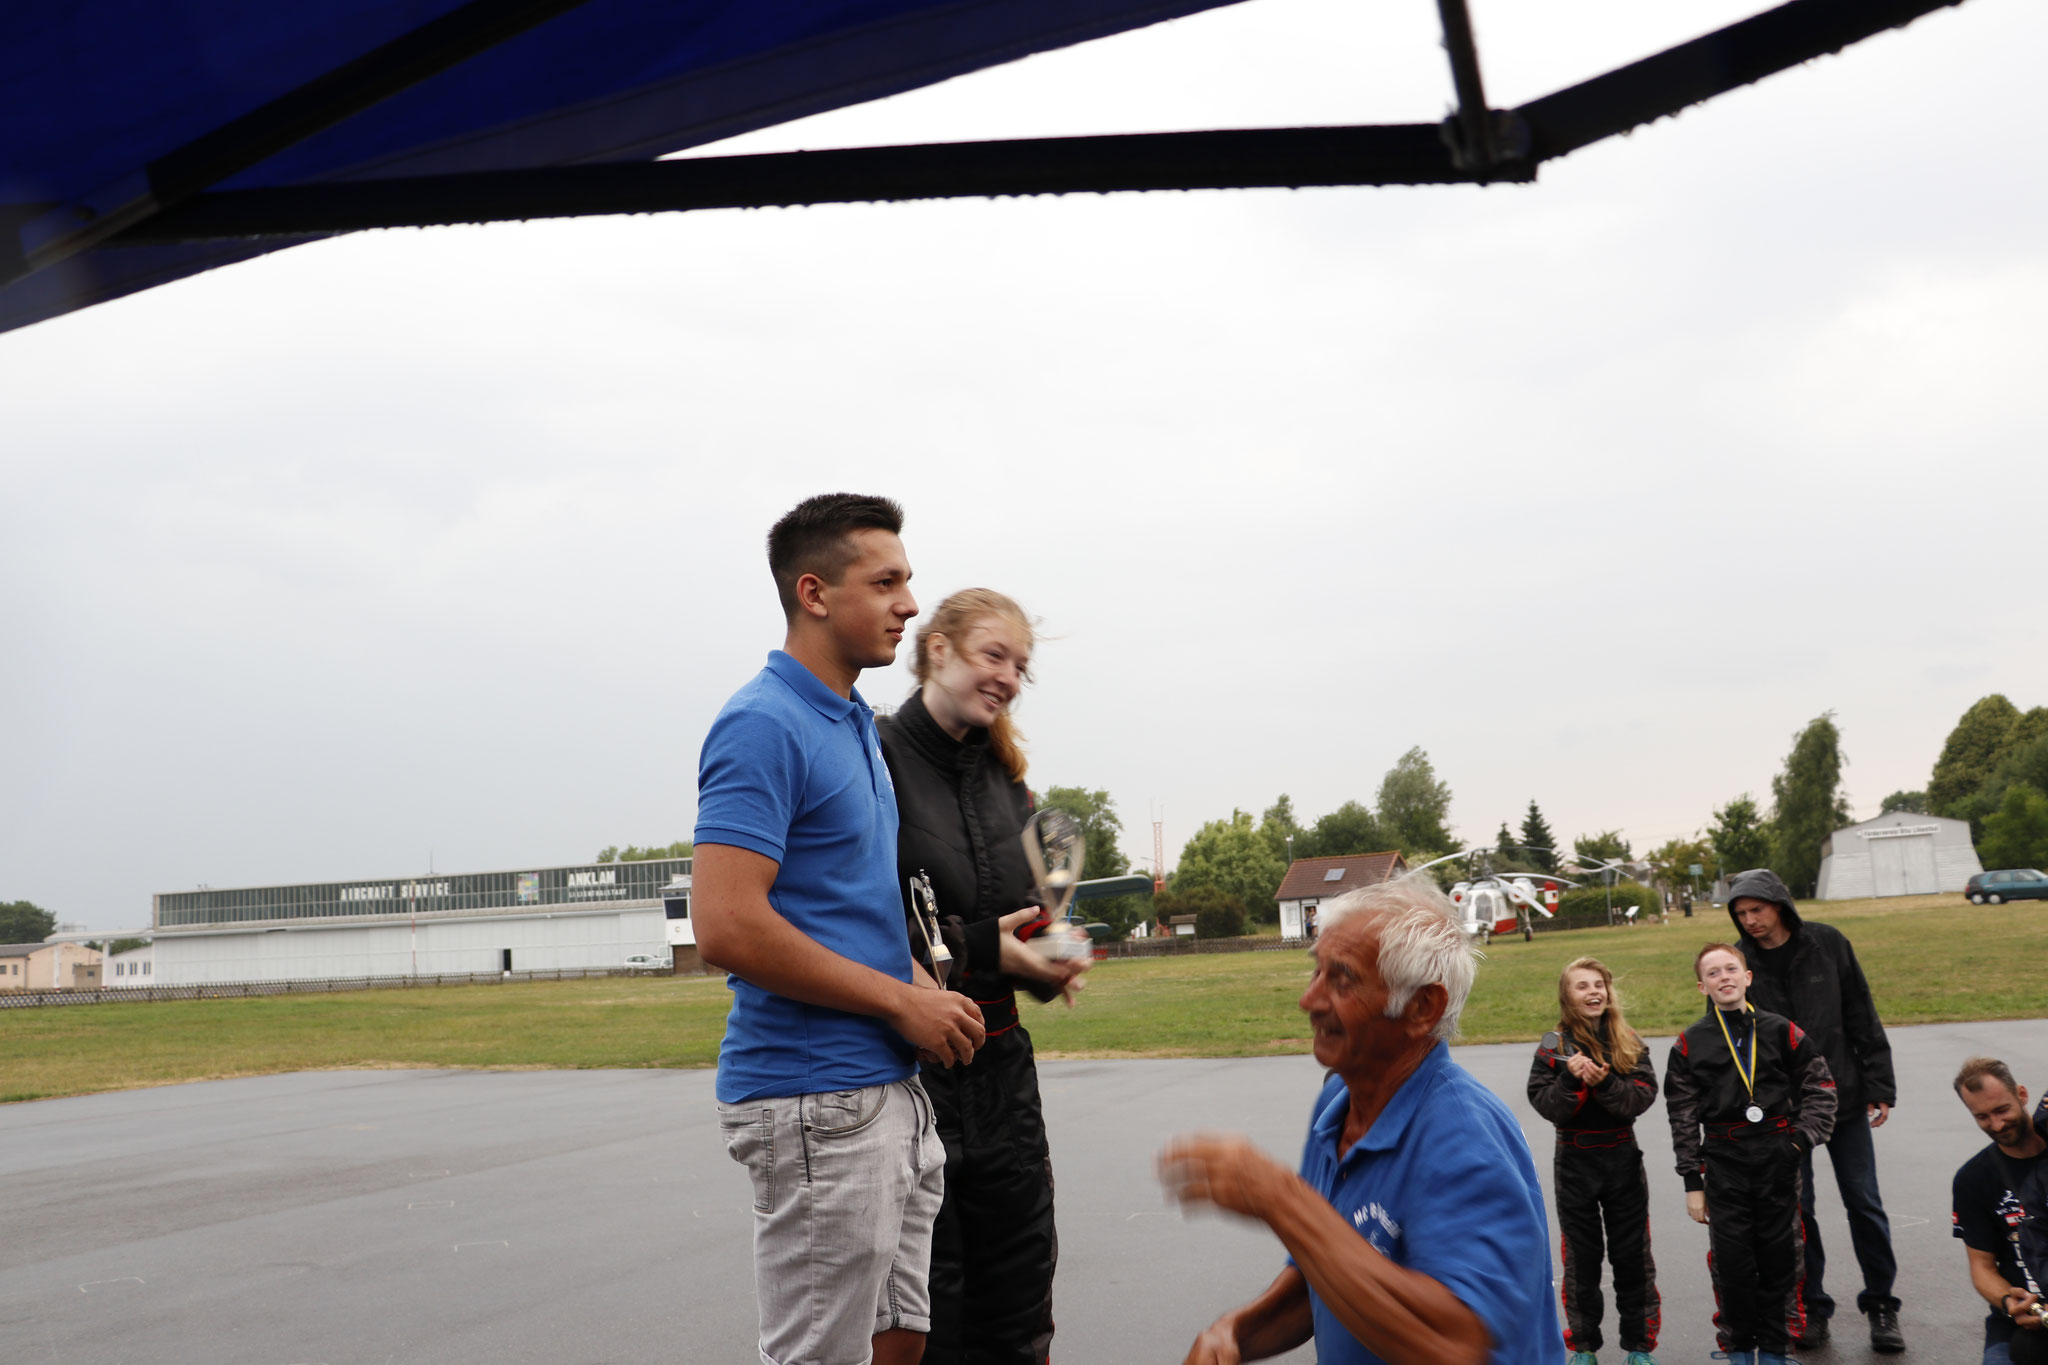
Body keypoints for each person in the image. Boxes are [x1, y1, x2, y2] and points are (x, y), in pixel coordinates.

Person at [694, 493, 987, 1365]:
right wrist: (898, 1001)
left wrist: (918, 981)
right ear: (815, 593)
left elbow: (842, 905)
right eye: (887, 581)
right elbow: (726, 922)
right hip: (815, 1100)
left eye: (910, 581)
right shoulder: (763, 722)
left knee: (902, 1333)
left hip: (884, 1091)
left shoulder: (854, 722)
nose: (909, 603)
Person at [1158, 872, 1561, 1365]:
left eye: (1342, 978)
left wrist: (1283, 1200)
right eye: (1317, 971)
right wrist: (1236, 1335)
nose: (1309, 1000)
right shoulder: (1337, 1110)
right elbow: (1326, 1275)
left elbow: (1458, 1345)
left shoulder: (1464, 1136)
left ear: (1421, 1007)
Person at [876, 587, 1088, 1365]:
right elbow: (862, 929)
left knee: (1020, 1305)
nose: (1008, 677)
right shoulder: (876, 760)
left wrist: (1052, 958)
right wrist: (984, 947)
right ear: (939, 649)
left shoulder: (1010, 787)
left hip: (1003, 1080)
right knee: (929, 1314)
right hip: (913, 1080)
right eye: (994, 655)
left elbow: (1020, 928)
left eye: (1020, 666)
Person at [1724, 867, 1905, 1352]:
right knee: (1797, 1212)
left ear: (1779, 904)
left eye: (1756, 909)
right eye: (1741, 914)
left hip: (1843, 1099)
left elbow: (1860, 1012)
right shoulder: (1738, 962)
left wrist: (1879, 1083)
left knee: (1863, 1203)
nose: (1750, 920)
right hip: (1782, 1112)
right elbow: (1729, 1041)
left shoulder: (1828, 943)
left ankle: (1882, 1305)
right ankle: (1811, 1307)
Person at [1664, 942, 1837, 1365]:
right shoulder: (1689, 1044)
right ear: (1702, 986)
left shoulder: (1782, 1031)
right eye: (1713, 973)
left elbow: (1822, 1089)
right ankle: (1739, 1347)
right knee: (1732, 1262)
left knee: (1782, 1257)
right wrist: (1693, 1181)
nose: (1723, 978)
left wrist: (1799, 1141)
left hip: (1778, 1155)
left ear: (1747, 977)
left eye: (1730, 969)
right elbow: (1682, 1117)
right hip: (1724, 1161)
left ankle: (1777, 1348)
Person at [1527, 957, 1661, 1365]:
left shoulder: (1629, 1041)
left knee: (1632, 1256)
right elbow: (1547, 1106)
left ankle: (1639, 1347)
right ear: (1567, 996)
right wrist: (1570, 1079)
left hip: (1622, 1156)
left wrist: (1605, 1083)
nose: (1593, 992)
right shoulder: (1553, 1046)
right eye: (1582, 986)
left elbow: (1639, 1099)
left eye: (1599, 984)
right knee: (1581, 1260)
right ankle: (1584, 1347)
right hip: (1574, 1161)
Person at [1951, 1057, 2048, 1365]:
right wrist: (2011, 1303)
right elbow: (1982, 1267)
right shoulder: (1972, 1179)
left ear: (2022, 1094)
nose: (1996, 1125)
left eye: (2002, 1110)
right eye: (1982, 1117)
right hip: (2021, 1322)